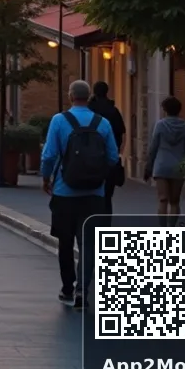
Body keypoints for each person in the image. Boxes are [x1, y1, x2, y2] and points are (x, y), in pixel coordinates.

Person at [41, 79, 119, 309]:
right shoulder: (102, 123)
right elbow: (113, 157)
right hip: (95, 194)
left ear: (70, 96)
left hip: (65, 192)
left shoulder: (59, 121)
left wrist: (46, 179)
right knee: (88, 244)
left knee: (65, 242)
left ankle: (67, 287)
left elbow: (48, 155)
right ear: (88, 97)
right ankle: (82, 290)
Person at [145, 96, 185, 215]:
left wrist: (148, 167)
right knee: (175, 202)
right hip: (178, 167)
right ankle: (172, 229)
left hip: (161, 166)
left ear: (165, 110)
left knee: (163, 199)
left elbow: (153, 147)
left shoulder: (160, 125)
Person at [89, 80, 126, 214]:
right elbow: (121, 133)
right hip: (109, 159)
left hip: (90, 159)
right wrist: (118, 153)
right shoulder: (113, 111)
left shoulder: (89, 110)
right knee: (107, 197)